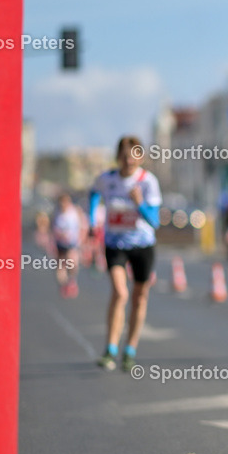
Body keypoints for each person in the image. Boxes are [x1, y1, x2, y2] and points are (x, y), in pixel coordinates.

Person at [88, 136, 162, 372]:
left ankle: (129, 349)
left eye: (134, 156)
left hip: (142, 245)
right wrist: (92, 219)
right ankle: (111, 348)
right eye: (125, 155)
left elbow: (155, 221)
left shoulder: (148, 181)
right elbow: (93, 193)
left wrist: (139, 204)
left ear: (141, 157)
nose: (129, 161)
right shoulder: (107, 179)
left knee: (140, 296)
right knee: (120, 292)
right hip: (115, 244)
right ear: (118, 156)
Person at [51, 192, 88, 298]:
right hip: (60, 242)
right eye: (61, 203)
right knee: (60, 265)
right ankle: (63, 285)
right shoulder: (56, 212)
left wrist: (82, 238)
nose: (63, 205)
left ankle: (72, 281)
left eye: (65, 202)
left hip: (72, 242)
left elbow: (83, 225)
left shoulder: (75, 211)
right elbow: (52, 226)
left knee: (72, 261)